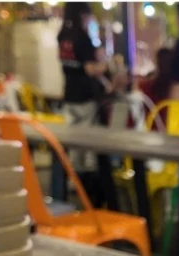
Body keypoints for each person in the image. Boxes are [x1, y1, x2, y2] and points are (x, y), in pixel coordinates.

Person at [58, 2, 106, 170]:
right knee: (88, 145)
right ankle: (86, 180)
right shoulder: (82, 38)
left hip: (69, 95)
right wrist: (104, 64)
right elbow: (90, 69)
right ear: (82, 15)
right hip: (85, 97)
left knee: (72, 144)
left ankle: (73, 179)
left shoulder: (62, 35)